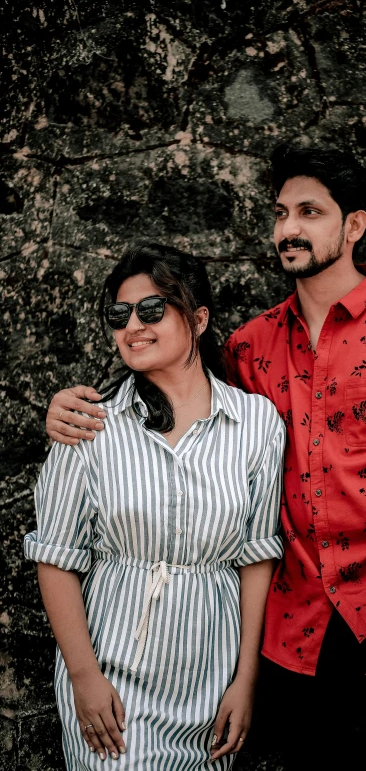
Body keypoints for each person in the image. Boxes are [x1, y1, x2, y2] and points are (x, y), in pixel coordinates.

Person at [45, 145, 366, 770]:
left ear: (354, 225)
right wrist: (68, 408)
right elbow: (177, 394)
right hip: (292, 630)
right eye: (280, 213)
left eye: (309, 212)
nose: (288, 230)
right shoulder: (250, 347)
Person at [25, 244, 285, 769]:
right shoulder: (88, 423)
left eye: (152, 310)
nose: (133, 327)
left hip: (210, 678)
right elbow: (55, 555)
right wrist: (83, 677)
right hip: (113, 677)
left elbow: (258, 558)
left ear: (199, 318)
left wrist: (245, 681)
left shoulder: (256, 423)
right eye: (119, 316)